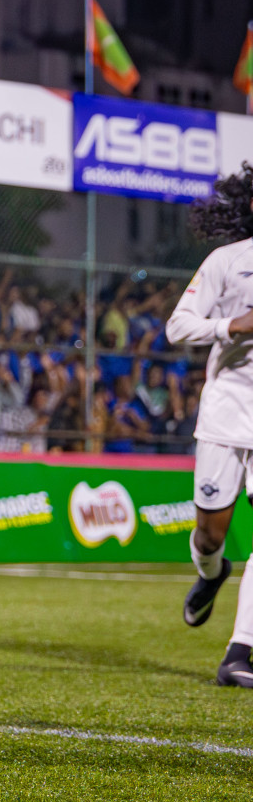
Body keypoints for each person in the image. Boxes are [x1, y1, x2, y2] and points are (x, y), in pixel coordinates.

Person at [167, 163, 253, 688]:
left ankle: (239, 651)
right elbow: (179, 325)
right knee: (209, 534)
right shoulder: (227, 261)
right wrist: (231, 325)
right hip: (225, 413)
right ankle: (211, 571)